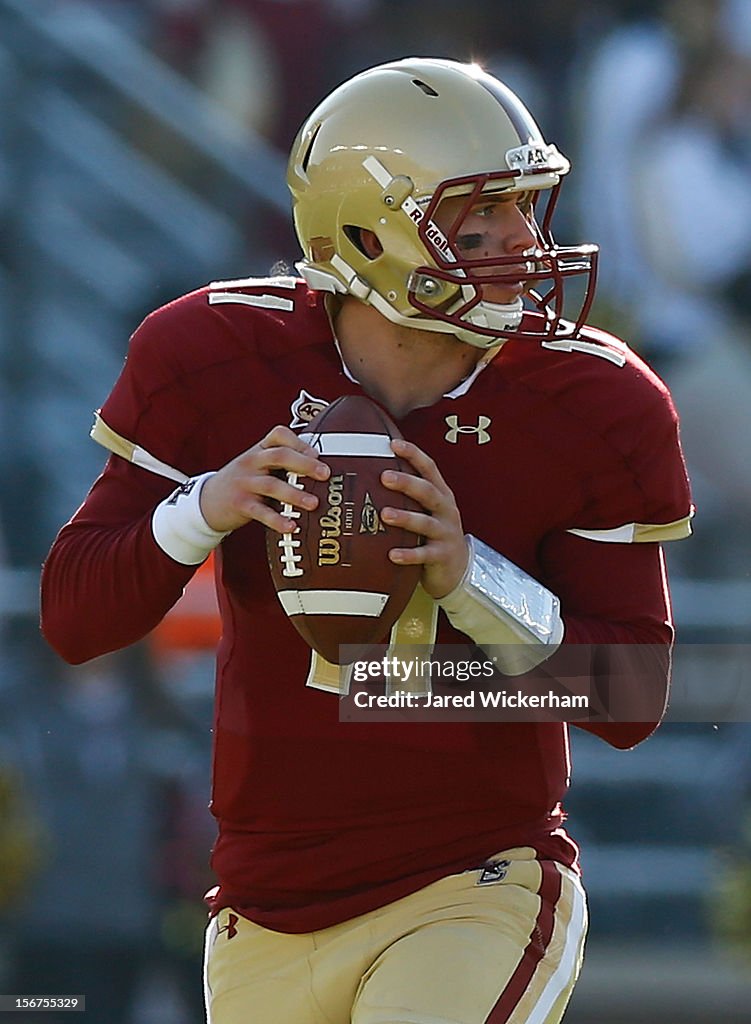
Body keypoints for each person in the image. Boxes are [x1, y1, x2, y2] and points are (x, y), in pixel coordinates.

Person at [41, 58, 693, 1024]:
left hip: (472, 882)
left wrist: (471, 576)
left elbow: (630, 696)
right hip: (261, 908)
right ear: (364, 234)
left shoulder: (593, 400)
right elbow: (73, 616)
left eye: (527, 208)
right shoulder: (213, 354)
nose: (524, 244)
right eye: (482, 221)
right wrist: (206, 507)